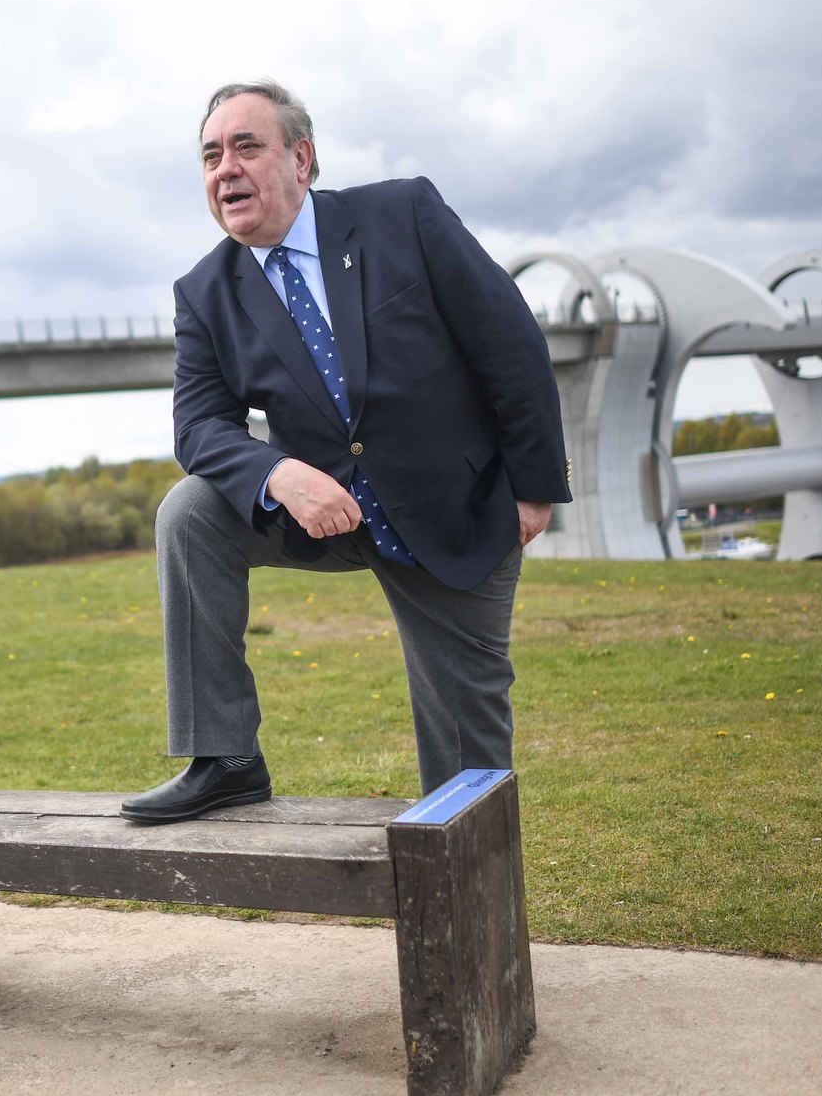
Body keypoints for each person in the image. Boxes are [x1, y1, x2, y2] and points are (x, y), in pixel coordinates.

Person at [120, 80, 570, 825]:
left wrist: (533, 488)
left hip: (452, 507)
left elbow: (509, 343)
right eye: (209, 155)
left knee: (466, 760)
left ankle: (469, 928)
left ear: (302, 158)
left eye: (246, 146)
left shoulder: (404, 215)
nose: (224, 168)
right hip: (324, 513)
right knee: (190, 512)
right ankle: (224, 757)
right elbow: (199, 426)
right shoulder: (205, 292)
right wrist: (278, 472)